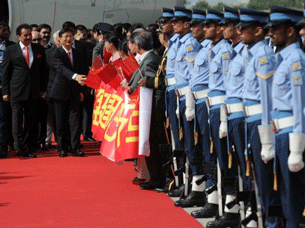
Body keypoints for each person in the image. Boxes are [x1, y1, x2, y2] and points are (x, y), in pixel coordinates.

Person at [236, 9, 282, 227]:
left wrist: (266, 139)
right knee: (256, 177)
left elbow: (267, 99)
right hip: (250, 121)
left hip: (259, 121)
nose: (240, 32)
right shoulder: (251, 53)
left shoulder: (263, 56)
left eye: (244, 28)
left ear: (258, 30)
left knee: (265, 180)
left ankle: (272, 223)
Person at [268, 7, 305, 227]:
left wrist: (298, 149)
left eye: (275, 29)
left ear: (290, 31)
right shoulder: (282, 58)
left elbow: (300, 105)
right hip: (280, 132)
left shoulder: (296, 60)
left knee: (294, 197)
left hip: (292, 134)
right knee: (284, 193)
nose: (270, 33)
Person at [2, 23, 47, 158]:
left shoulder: (39, 49)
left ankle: (28, 147)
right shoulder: (11, 50)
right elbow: (6, 72)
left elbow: (43, 71)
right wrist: (5, 91)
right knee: (16, 119)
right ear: (18, 36)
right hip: (16, 90)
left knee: (31, 120)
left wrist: (43, 89)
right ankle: (18, 146)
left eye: (29, 35)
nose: (28, 37)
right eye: (25, 35)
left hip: (33, 91)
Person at [49, 28, 86, 157]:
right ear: (60, 39)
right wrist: (75, 76)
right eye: (65, 37)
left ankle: (75, 147)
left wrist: (81, 90)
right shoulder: (55, 53)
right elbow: (61, 69)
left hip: (74, 92)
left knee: (75, 121)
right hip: (59, 92)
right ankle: (62, 147)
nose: (68, 39)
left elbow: (82, 71)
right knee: (60, 122)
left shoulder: (77, 53)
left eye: (70, 36)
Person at [0, 21, 15, 158]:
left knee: (4, 119)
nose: (5, 32)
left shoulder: (12, 47)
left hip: (6, 89)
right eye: (2, 29)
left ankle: (3, 146)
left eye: (6, 30)